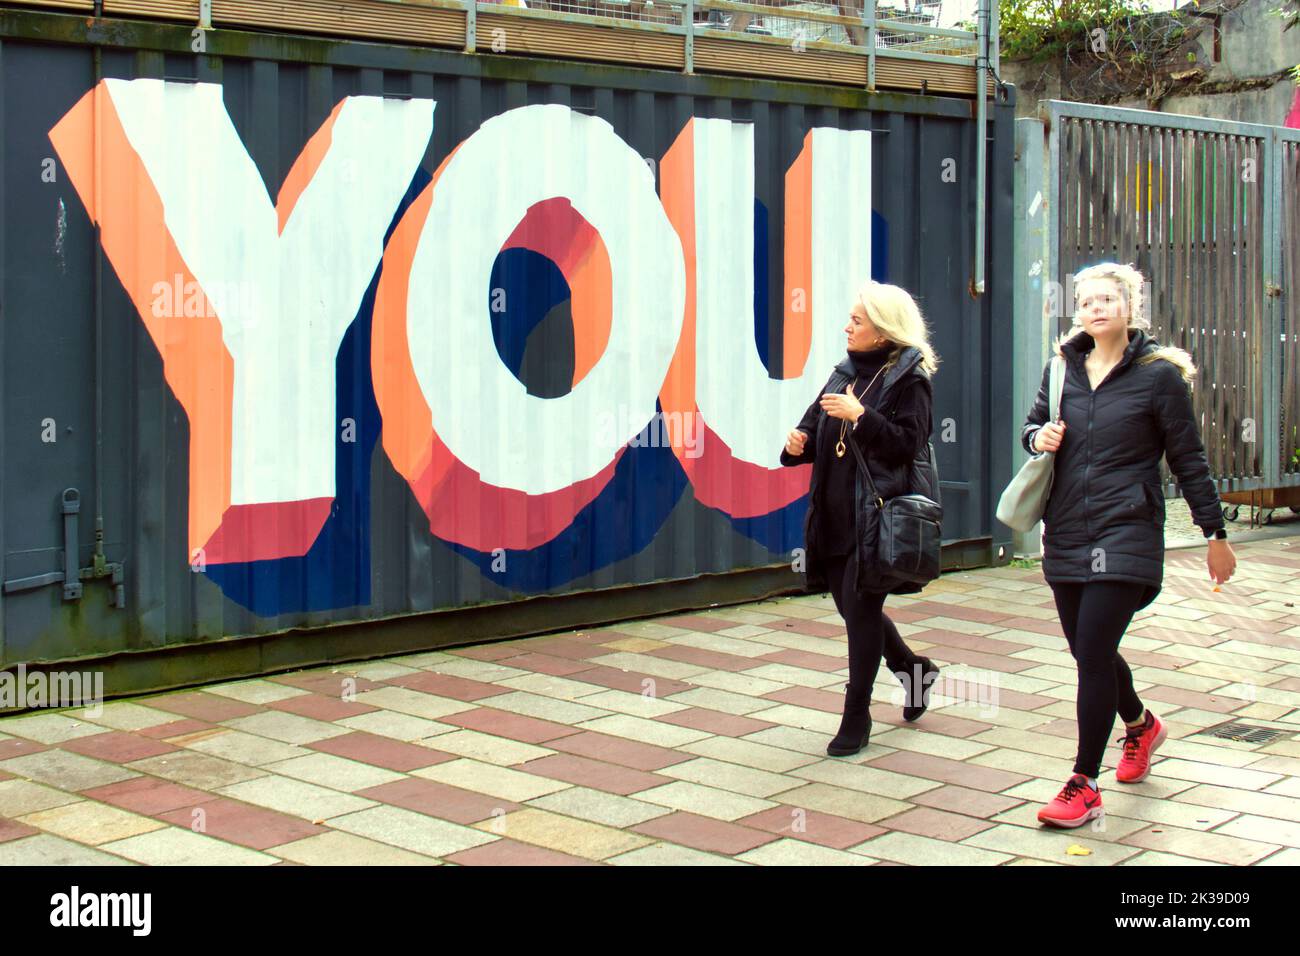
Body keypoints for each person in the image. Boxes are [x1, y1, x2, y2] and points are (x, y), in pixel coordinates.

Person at [1022, 262, 1237, 828]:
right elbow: (1033, 426)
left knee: (1092, 651)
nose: (1095, 308)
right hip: (1066, 528)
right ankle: (1140, 725)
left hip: (1128, 530)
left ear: (1130, 309)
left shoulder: (1157, 376)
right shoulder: (1060, 369)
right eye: (1086, 300)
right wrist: (1036, 437)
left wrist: (1215, 534)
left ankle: (1083, 783)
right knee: (1087, 650)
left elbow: (1188, 459)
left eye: (1107, 300)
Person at [780, 280, 942, 757]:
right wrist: (797, 444)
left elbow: (907, 445)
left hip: (875, 515)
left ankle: (857, 716)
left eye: (857, 319)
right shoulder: (843, 373)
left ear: (883, 329)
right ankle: (914, 670)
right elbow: (813, 427)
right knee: (854, 608)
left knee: (862, 609)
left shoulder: (910, 380)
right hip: (831, 512)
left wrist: (861, 415)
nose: (847, 326)